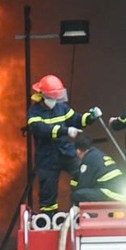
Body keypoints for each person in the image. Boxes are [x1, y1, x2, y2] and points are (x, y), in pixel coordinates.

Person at [26, 75, 83, 210]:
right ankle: (49, 219)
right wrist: (65, 131)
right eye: (52, 97)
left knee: (81, 173)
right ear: (42, 96)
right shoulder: (34, 112)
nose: (55, 100)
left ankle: (77, 206)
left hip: (65, 152)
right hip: (47, 157)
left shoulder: (61, 108)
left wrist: (90, 117)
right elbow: (40, 129)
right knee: (48, 193)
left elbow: (76, 120)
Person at [71, 138, 126, 204]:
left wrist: (73, 191)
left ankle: (82, 214)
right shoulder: (98, 154)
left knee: (78, 194)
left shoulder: (88, 159)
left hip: (111, 193)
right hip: (121, 192)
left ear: (78, 151)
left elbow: (84, 185)